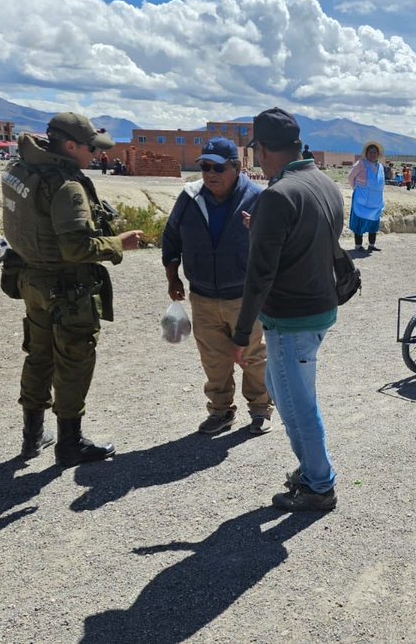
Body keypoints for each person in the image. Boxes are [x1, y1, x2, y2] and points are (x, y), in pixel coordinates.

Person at [0, 112, 143, 466]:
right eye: (90, 147)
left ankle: (33, 436)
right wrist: (117, 245)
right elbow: (76, 249)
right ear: (69, 146)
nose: (95, 153)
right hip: (67, 290)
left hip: (33, 281)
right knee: (74, 362)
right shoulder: (66, 186)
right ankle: (70, 442)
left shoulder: (22, 170)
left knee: (39, 357)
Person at [232, 107, 343, 512]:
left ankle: (318, 484)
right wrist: (262, 228)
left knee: (298, 405)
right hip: (319, 308)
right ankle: (313, 470)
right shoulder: (322, 183)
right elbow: (309, 237)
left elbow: (259, 276)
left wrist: (241, 335)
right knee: (284, 391)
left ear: (261, 149)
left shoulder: (276, 196)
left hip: (291, 318)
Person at [162, 137, 273, 436]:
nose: (210, 174)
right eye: (205, 167)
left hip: (245, 297)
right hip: (203, 297)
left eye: (218, 168)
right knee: (214, 359)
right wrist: (173, 277)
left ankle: (261, 408)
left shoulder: (257, 198)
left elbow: (274, 247)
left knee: (253, 355)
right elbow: (171, 238)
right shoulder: (190, 197)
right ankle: (220, 411)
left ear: (236, 168)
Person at [348, 140, 386, 251]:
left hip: (375, 200)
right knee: (360, 220)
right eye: (371, 152)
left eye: (375, 152)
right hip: (362, 198)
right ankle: (358, 245)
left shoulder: (380, 167)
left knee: (373, 221)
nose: (372, 154)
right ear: (366, 153)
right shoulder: (360, 164)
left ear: (378, 154)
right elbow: (350, 177)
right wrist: (356, 188)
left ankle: (371, 245)